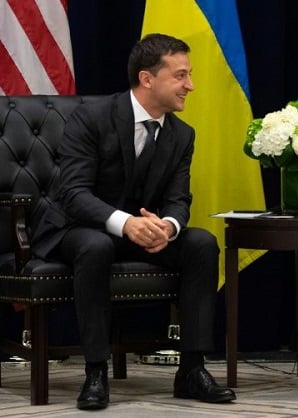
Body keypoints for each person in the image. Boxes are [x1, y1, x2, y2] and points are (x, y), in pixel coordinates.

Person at [31, 33, 235, 410]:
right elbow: (73, 193)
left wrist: (168, 228)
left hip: (139, 230)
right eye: (181, 75)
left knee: (201, 244)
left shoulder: (181, 134)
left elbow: (178, 199)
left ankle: (191, 369)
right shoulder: (92, 118)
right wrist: (125, 223)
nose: (190, 85)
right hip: (76, 227)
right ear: (147, 79)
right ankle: (95, 372)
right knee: (96, 246)